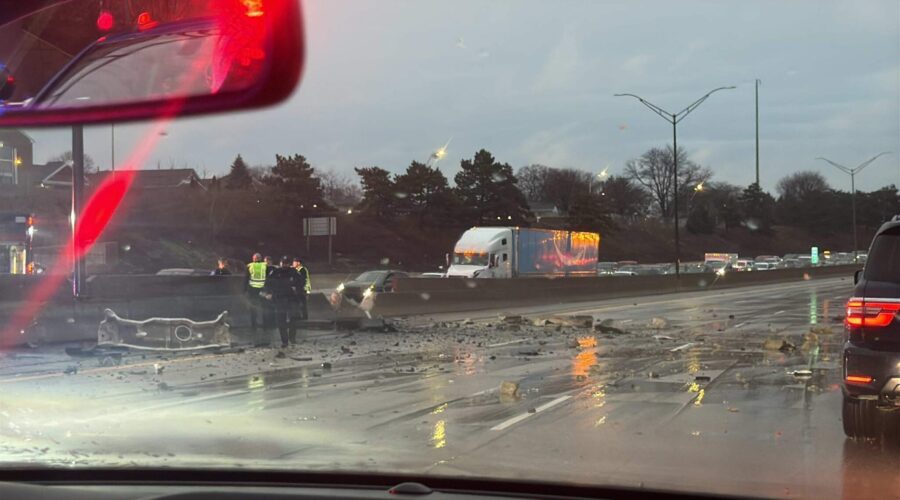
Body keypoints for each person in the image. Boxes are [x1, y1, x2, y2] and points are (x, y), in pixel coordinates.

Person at [263, 256, 302, 348]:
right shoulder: (276, 272)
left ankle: (292, 338)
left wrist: (297, 291)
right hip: (279, 299)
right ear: (280, 263)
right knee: (281, 321)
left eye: (286, 263)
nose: (284, 265)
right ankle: (285, 341)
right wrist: (269, 293)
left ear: (289, 264)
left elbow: (300, 283)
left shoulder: (293, 272)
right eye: (283, 263)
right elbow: (268, 283)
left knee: (293, 319)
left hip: (291, 299)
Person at [245, 252, 268, 345]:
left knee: (253, 308)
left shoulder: (249, 266)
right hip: (262, 289)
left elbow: (246, 278)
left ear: (253, 259)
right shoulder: (264, 265)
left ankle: (254, 325)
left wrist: (245, 290)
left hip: (253, 290)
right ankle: (265, 325)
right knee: (264, 307)